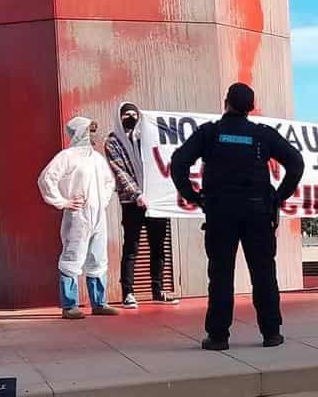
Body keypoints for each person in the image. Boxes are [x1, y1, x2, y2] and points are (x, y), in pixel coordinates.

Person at [170, 83, 304, 350]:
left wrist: (192, 195)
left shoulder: (209, 133)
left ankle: (218, 336)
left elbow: (179, 162)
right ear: (251, 107)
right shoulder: (262, 135)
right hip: (258, 212)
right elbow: (296, 163)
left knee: (220, 275)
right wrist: (278, 197)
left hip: (220, 213)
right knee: (264, 273)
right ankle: (271, 333)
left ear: (226, 102)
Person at [38, 117, 121, 320]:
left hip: (98, 216)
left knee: (98, 258)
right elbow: (46, 178)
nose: (93, 134)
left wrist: (103, 202)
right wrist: (62, 201)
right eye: (89, 130)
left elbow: (109, 182)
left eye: (94, 130)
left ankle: (99, 303)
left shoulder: (97, 158)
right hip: (78, 216)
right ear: (79, 132)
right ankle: (70, 304)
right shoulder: (67, 157)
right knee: (72, 257)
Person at [105, 102, 179, 308]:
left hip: (155, 201)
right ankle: (128, 292)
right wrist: (137, 194)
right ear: (119, 118)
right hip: (132, 202)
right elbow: (120, 172)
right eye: (126, 114)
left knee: (158, 247)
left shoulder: (148, 137)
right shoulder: (113, 141)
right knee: (132, 247)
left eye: (133, 114)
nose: (130, 117)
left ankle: (158, 289)